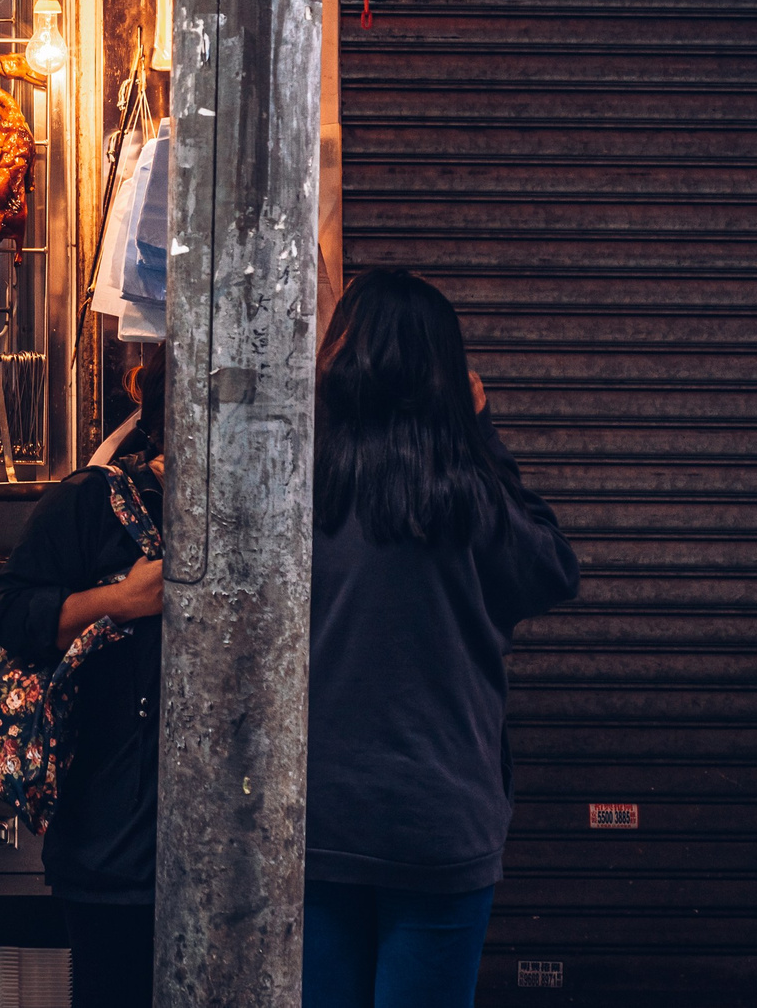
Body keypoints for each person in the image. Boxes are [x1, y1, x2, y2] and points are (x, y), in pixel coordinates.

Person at [305, 270, 579, 1008]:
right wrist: (481, 430)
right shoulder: (471, 497)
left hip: (319, 823)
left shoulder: (303, 493)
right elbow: (553, 570)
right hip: (438, 826)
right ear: (445, 374)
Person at [0, 356, 169, 1008]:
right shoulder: (90, 502)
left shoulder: (270, 520)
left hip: (226, 856)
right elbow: (10, 614)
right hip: (108, 839)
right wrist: (120, 598)